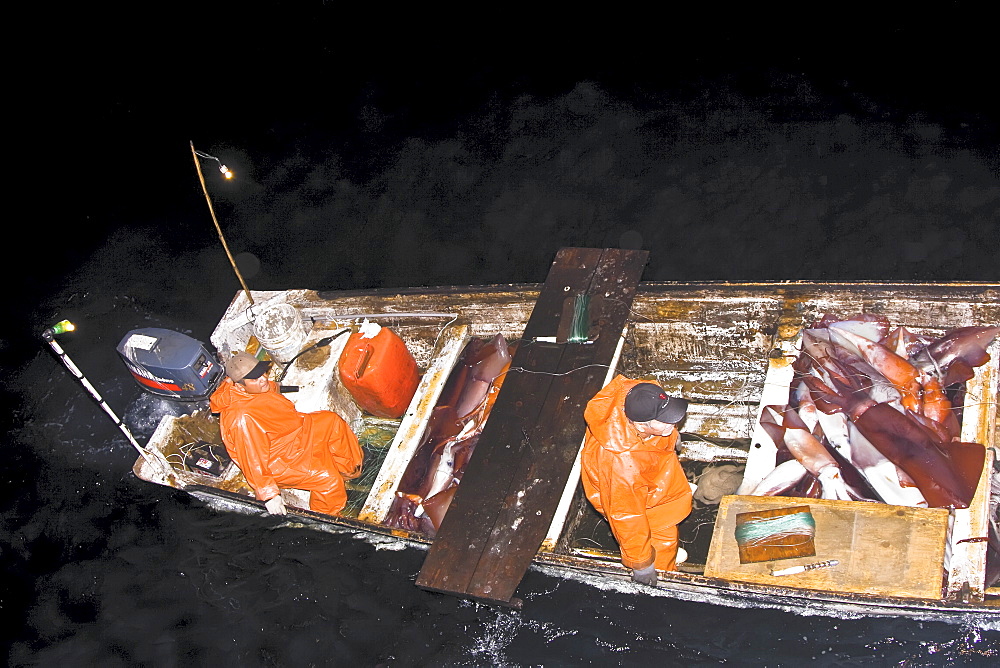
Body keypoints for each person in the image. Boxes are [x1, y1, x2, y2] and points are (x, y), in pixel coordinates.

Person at [209, 351, 363, 516]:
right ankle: (328, 516)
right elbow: (252, 459)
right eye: (255, 379)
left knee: (332, 421)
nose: (263, 379)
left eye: (263, 373)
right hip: (279, 459)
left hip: (294, 431)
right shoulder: (242, 419)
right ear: (239, 385)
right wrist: (269, 494)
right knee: (328, 479)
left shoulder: (249, 387)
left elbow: (267, 388)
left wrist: (276, 386)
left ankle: (350, 471)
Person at [581, 376, 693, 586]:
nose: (674, 422)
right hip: (627, 494)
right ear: (641, 425)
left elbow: (647, 390)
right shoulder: (622, 466)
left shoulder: (637, 394)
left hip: (652, 469)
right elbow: (626, 516)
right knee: (662, 537)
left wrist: (671, 434)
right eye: (666, 421)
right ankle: (665, 572)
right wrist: (642, 564)